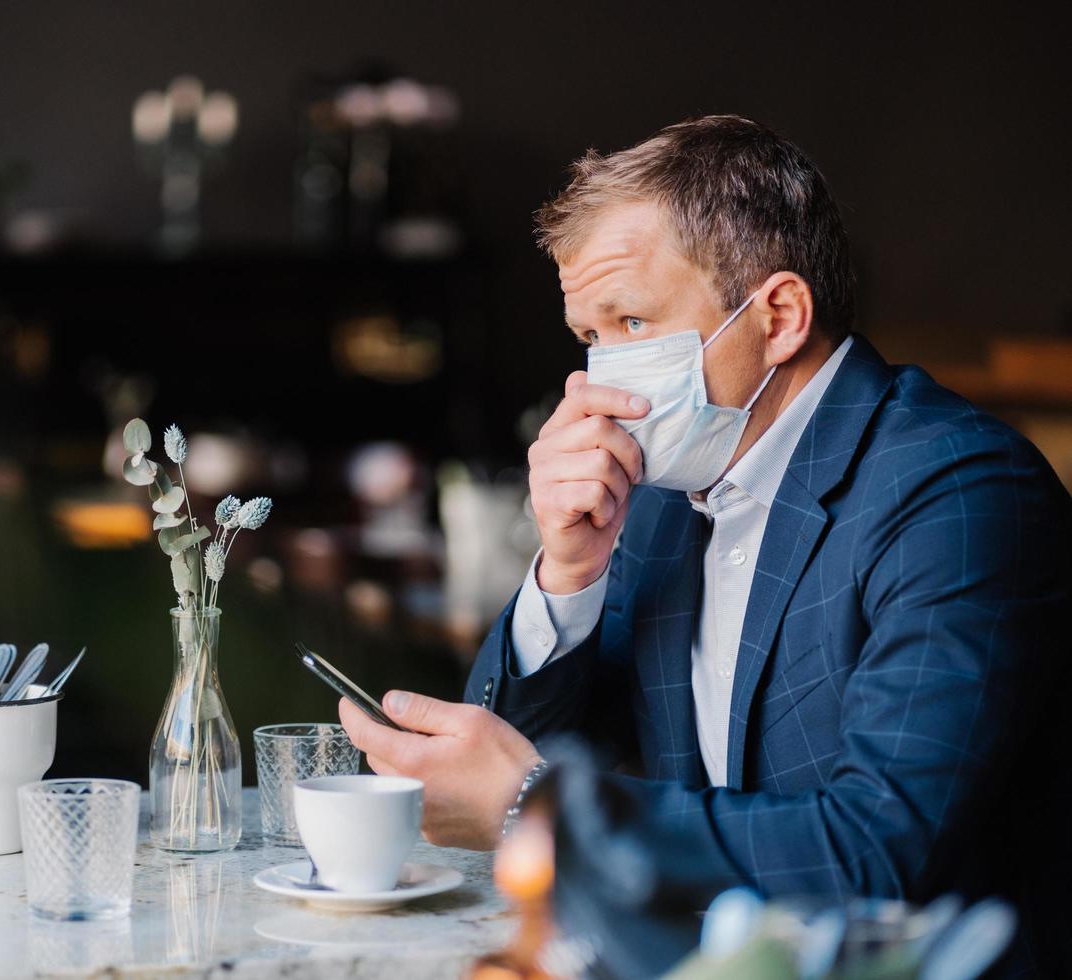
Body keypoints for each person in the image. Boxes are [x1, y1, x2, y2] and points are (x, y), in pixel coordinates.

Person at [339, 115, 1071, 973]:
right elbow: (503, 775)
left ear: (782, 316)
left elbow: (880, 854)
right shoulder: (660, 495)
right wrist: (566, 574)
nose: (600, 379)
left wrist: (536, 802)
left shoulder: (958, 492)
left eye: (633, 322)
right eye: (589, 337)